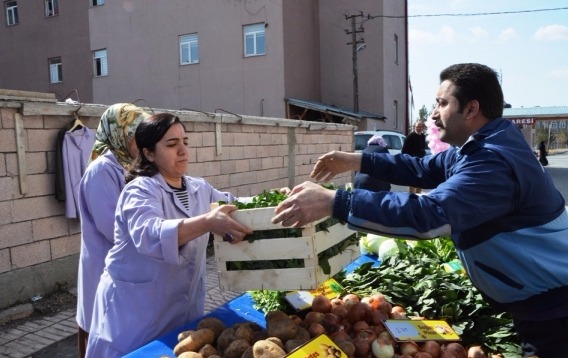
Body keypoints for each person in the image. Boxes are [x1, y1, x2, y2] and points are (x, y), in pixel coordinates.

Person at [272, 63, 568, 358]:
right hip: (538, 301)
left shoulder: (492, 163)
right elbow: (420, 167)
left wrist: (334, 202)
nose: (434, 114)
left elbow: (429, 215)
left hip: (555, 307)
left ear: (471, 109)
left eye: (442, 103)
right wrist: (357, 160)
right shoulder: (478, 147)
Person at [85, 113, 253, 357]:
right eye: (172, 145)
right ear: (149, 153)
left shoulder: (198, 188)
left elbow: (236, 206)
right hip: (134, 315)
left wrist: (278, 200)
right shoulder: (139, 190)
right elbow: (150, 234)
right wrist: (207, 222)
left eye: (185, 142)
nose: (183, 151)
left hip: (181, 308)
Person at [76, 103, 150, 358]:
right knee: (104, 336)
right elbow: (112, 228)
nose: (142, 143)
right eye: (135, 136)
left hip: (128, 269)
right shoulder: (101, 170)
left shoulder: (134, 166)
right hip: (104, 268)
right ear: (119, 135)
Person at [401, 121, 427, 193]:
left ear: (422, 128)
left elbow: (423, 148)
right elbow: (403, 151)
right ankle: (411, 197)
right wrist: (407, 160)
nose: (418, 128)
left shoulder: (423, 136)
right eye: (417, 127)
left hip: (421, 161)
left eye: (420, 127)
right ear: (414, 127)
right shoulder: (410, 136)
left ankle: (418, 196)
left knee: (420, 180)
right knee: (412, 180)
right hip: (412, 161)